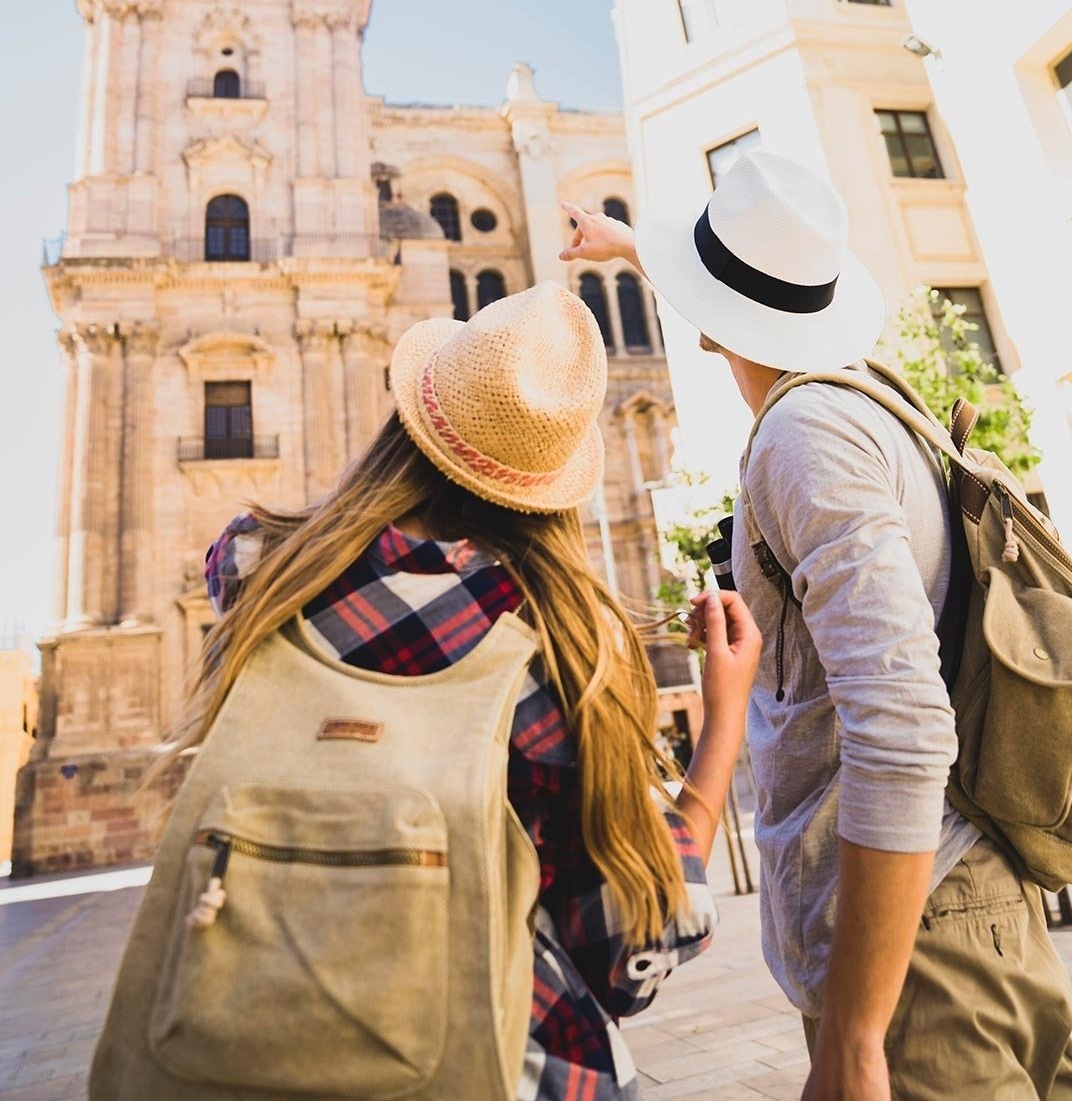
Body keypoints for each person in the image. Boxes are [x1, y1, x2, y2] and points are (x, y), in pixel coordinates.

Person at [563, 152, 1072, 1101]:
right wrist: (634, 247)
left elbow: (901, 717)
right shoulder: (872, 400)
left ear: (708, 326)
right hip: (967, 900)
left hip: (912, 948)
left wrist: (855, 1034)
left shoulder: (803, 436)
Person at [187, 283, 759, 1101]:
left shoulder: (252, 567)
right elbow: (633, 944)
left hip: (267, 1033)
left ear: (409, 422)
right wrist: (723, 714)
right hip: (505, 1062)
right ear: (549, 484)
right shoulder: (547, 653)